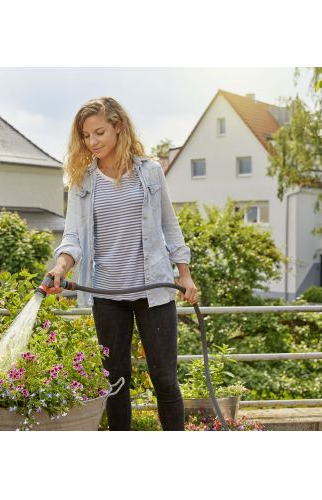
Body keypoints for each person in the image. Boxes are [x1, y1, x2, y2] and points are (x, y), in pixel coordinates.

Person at [46, 96, 198, 431]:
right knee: (115, 380)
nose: (93, 141)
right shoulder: (83, 181)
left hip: (154, 292)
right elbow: (73, 238)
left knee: (165, 379)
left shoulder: (150, 172)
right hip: (107, 295)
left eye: (99, 132)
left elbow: (170, 226)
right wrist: (60, 268)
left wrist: (184, 276)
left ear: (118, 126)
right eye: (86, 136)